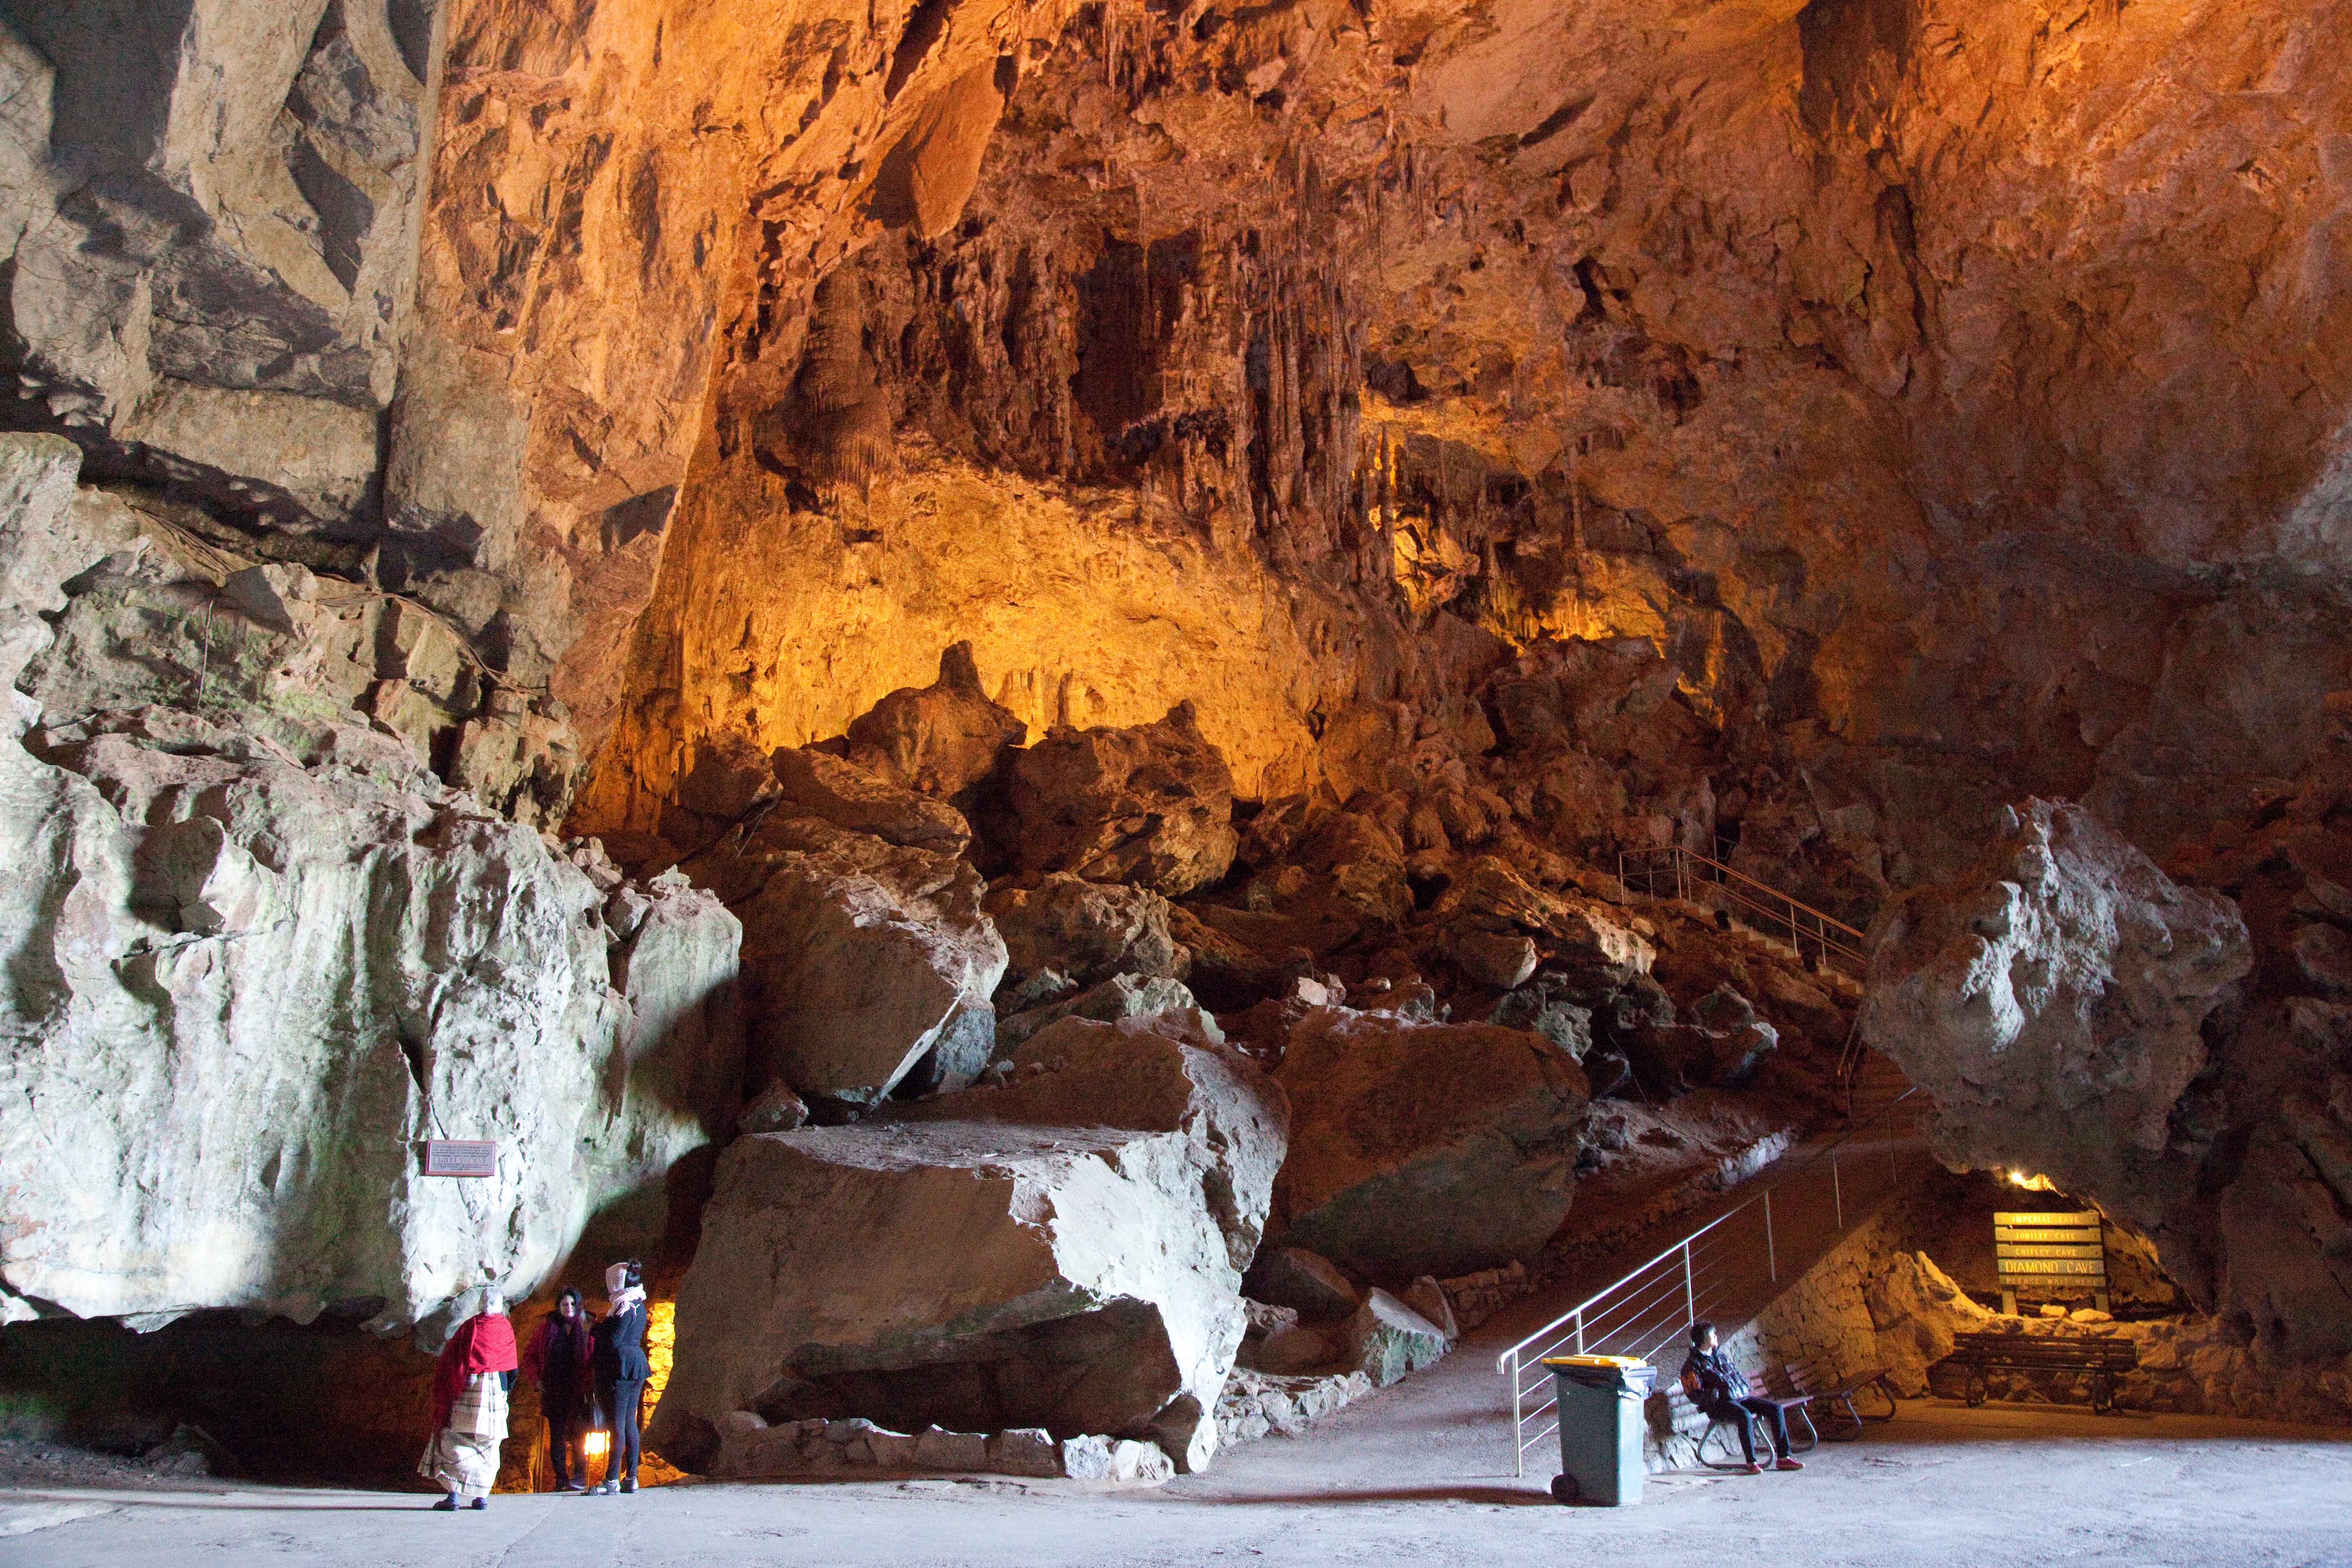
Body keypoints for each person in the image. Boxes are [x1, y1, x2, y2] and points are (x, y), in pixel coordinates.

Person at [419, 1287, 519, 1510]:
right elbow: (512, 1366)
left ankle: (453, 1497)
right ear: (500, 1305)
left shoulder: (470, 1327)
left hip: (467, 1391)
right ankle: (481, 1498)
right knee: (489, 1446)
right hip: (495, 1394)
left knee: (455, 1439)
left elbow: (453, 1361)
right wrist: (506, 1391)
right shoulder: (505, 1328)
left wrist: (447, 1391)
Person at [1679, 1320, 1803, 1474]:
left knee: (1775, 1409)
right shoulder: (1693, 1365)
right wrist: (1712, 1397)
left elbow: (1734, 1374)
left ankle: (1784, 1458)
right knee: (1744, 1415)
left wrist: (1742, 1387)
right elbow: (1694, 1395)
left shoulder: (1720, 1356)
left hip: (1740, 1398)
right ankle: (1752, 1462)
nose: (1716, 1337)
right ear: (1704, 1339)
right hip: (1720, 1405)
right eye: (1713, 1335)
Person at [588, 1260, 651, 1496]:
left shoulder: (624, 1306)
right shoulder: (639, 1304)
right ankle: (632, 1478)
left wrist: (594, 1329)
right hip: (636, 1365)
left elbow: (614, 1340)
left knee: (617, 1424)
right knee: (629, 1422)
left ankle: (612, 1480)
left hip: (621, 1367)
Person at [524, 1286, 595, 1491]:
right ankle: (561, 1479)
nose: (569, 1307)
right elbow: (529, 1356)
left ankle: (579, 1476)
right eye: (565, 1304)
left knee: (579, 1435)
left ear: (578, 1305)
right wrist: (536, 1378)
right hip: (554, 1391)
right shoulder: (547, 1328)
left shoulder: (587, 1326)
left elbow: (596, 1355)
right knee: (557, 1436)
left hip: (579, 1391)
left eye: (572, 1304)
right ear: (559, 1306)